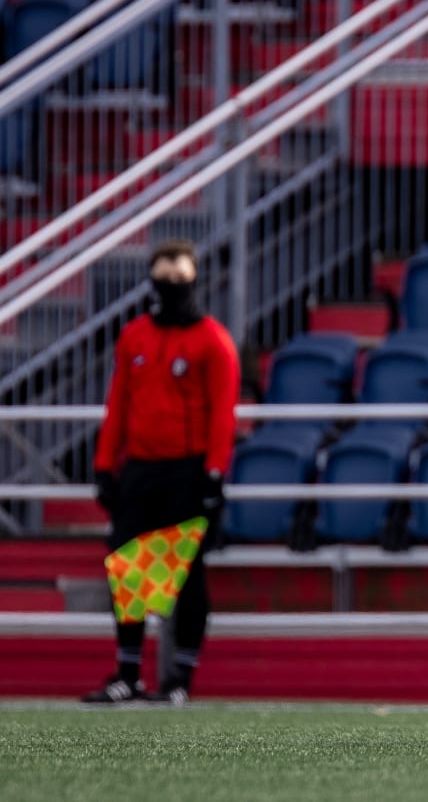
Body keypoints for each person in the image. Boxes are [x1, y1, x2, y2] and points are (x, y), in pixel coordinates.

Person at [84, 239, 241, 705]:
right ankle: (127, 673)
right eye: (164, 279)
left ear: (194, 281)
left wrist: (214, 474)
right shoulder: (134, 336)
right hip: (141, 471)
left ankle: (179, 680)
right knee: (126, 568)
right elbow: (118, 405)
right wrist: (104, 465)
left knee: (187, 574)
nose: (172, 288)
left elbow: (222, 414)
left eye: (180, 279)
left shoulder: (213, 340)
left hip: (188, 472)